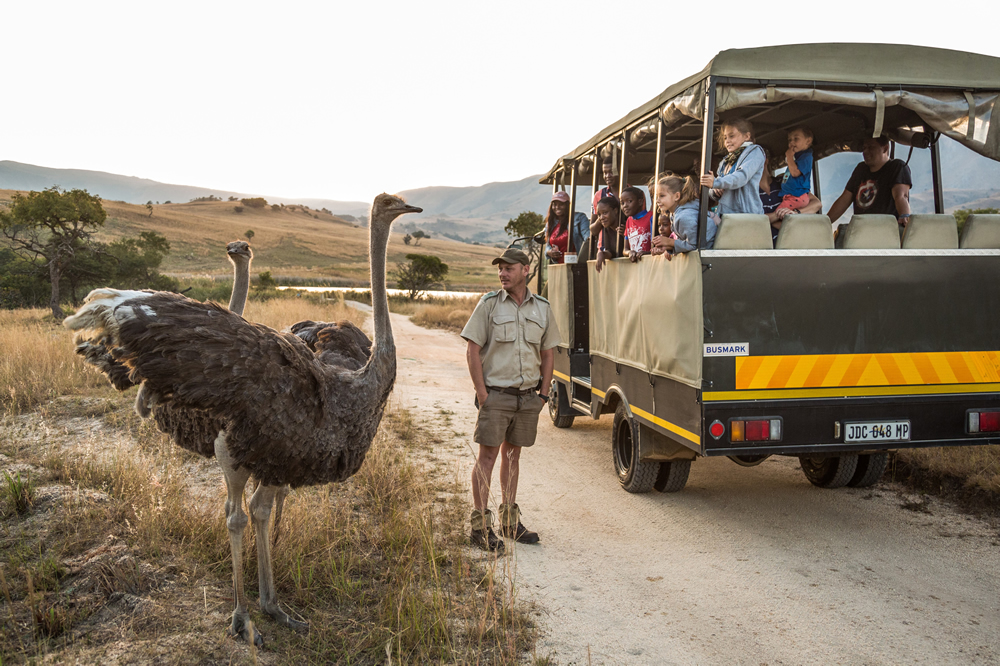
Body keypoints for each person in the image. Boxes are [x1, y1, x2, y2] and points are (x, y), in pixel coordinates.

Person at [461, 248, 560, 552]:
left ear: (526, 270)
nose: (502, 274)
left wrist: (544, 394)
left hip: (527, 398)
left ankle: (509, 522)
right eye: (500, 269)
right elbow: (472, 350)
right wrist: (482, 394)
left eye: (509, 268)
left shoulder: (541, 308)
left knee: (513, 456)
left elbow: (547, 353)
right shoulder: (489, 305)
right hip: (497, 396)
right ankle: (480, 527)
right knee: (487, 457)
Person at [825, 136, 913, 231]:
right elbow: (844, 200)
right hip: (861, 230)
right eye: (864, 148)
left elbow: (901, 196)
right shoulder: (860, 169)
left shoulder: (897, 167)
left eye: (871, 147)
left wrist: (905, 216)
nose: (865, 152)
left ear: (885, 148)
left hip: (886, 230)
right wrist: (825, 223)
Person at [700, 118, 766, 215]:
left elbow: (741, 177)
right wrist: (714, 190)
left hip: (747, 215)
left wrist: (716, 182)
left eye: (732, 136)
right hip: (726, 215)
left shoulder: (755, 151)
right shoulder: (725, 161)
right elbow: (716, 187)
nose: (727, 141)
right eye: (725, 137)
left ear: (747, 136)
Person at [759, 147, 823, 245]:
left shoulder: (784, 182)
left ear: (765, 161)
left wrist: (795, 214)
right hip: (763, 248)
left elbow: (816, 204)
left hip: (794, 245)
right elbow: (754, 222)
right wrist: (778, 214)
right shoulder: (746, 191)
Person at [654, 174, 716, 254]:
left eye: (662, 196)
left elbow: (693, 246)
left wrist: (670, 242)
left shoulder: (684, 217)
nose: (657, 200)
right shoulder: (675, 214)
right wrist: (667, 247)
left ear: (677, 196)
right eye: (657, 196)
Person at [776, 127, 815, 214]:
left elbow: (795, 173)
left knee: (776, 215)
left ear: (808, 141)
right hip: (791, 196)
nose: (792, 143)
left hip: (796, 196)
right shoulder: (797, 158)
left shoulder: (806, 157)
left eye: (796, 139)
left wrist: (789, 156)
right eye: (789, 140)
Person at [545, 191, 590, 264]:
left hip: (576, 266)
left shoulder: (579, 218)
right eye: (555, 204)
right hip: (557, 266)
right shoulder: (550, 223)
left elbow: (587, 236)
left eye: (561, 204)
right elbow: (548, 246)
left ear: (568, 205)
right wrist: (549, 252)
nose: (557, 207)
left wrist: (589, 237)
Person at [620, 186, 654, 262]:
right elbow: (625, 249)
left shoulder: (651, 217)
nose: (625, 205)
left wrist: (647, 253)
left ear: (640, 202)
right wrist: (630, 252)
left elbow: (657, 245)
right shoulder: (628, 221)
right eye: (622, 203)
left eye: (629, 201)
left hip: (649, 263)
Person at [593, 195, 625, 272]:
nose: (601, 217)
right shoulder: (606, 228)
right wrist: (602, 254)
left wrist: (627, 235)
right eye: (599, 215)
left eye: (605, 213)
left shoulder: (627, 224)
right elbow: (611, 252)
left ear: (615, 211)